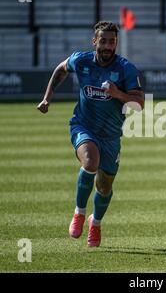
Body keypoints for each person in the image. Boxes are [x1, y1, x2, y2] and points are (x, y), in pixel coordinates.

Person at [37, 21, 144, 247]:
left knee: (105, 187)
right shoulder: (81, 60)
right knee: (90, 161)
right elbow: (60, 69)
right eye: (103, 41)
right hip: (83, 126)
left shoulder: (126, 69)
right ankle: (79, 213)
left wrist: (118, 94)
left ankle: (95, 224)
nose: (107, 46)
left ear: (116, 43)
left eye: (112, 41)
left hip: (111, 136)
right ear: (94, 41)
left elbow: (139, 103)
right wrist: (48, 97)